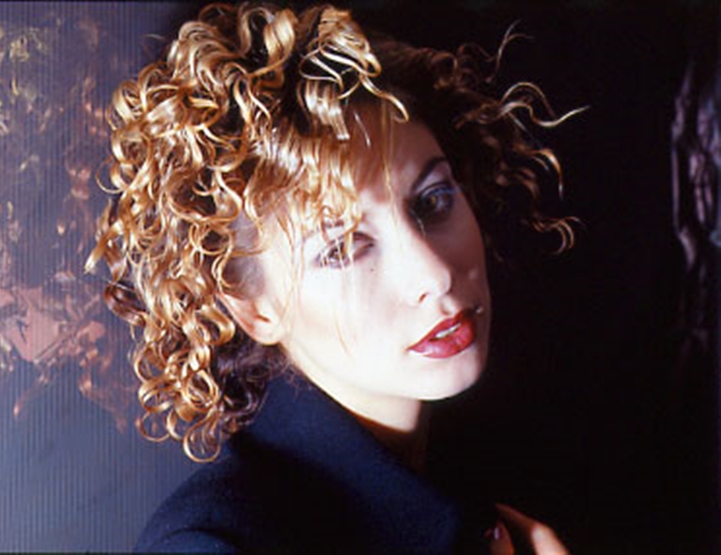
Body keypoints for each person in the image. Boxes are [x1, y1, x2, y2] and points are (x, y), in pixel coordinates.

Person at [87, 2, 575, 552]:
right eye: (343, 248)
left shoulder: (495, 463)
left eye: (433, 201)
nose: (435, 274)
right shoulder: (215, 543)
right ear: (254, 307)